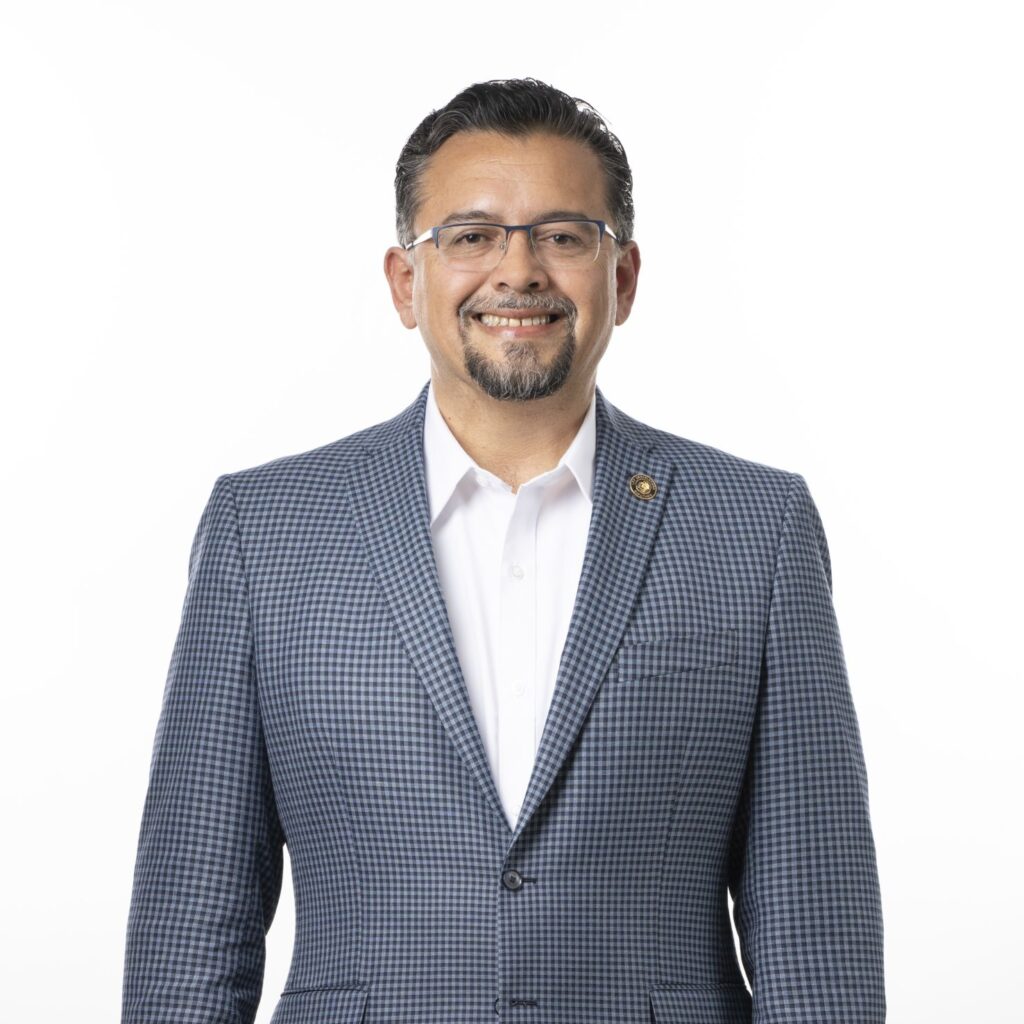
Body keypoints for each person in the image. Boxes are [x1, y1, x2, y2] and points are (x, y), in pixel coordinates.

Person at [120, 78, 885, 1024]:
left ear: (624, 278)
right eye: (471, 236)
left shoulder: (754, 526)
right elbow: (194, 919)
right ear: (405, 282)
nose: (518, 271)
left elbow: (816, 925)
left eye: (563, 236)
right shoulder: (264, 529)